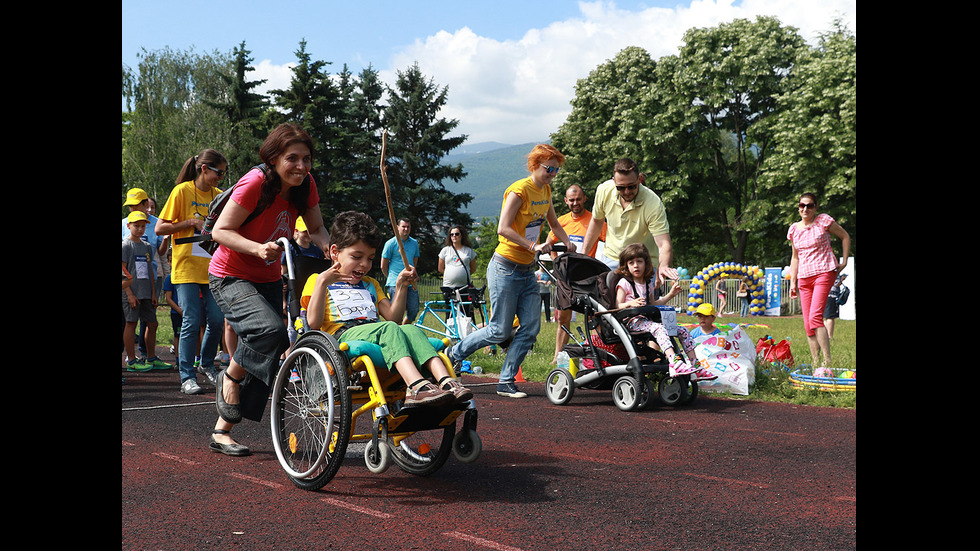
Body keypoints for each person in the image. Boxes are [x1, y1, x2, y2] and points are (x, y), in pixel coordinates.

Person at [205, 123, 330, 457]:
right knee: (269, 331)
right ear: (274, 158)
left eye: (307, 159)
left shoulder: (306, 186)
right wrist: (257, 249)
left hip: (268, 277)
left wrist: (331, 249)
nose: (302, 167)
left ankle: (222, 431)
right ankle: (229, 377)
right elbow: (220, 231)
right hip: (229, 274)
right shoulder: (255, 183)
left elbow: (316, 228)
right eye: (293, 158)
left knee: (269, 349)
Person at [303, 211, 472, 409]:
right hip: (342, 336)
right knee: (389, 328)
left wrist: (400, 286)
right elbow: (313, 323)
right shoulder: (318, 280)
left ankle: (446, 381)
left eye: (370, 258)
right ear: (334, 252)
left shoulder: (370, 284)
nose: (364, 265)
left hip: (378, 332)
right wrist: (323, 282)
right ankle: (416, 386)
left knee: (410, 329)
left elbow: (394, 316)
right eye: (357, 257)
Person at [445, 144, 575, 398]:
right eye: (549, 169)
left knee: (530, 327)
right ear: (535, 165)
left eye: (556, 171)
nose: (552, 174)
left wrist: (567, 241)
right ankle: (453, 354)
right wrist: (533, 245)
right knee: (500, 330)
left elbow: (554, 223)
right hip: (505, 267)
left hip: (527, 271)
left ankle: (506, 381)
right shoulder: (519, 191)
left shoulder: (546, 191)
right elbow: (502, 228)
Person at [155, 149, 229, 395]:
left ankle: (207, 364)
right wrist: (190, 222)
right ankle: (187, 376)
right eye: (219, 173)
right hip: (186, 266)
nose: (221, 178)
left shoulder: (220, 195)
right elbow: (159, 228)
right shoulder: (182, 191)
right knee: (191, 320)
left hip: (213, 266)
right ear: (204, 168)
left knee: (217, 320)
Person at [613, 243, 714, 380]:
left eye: (639, 261)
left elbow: (654, 304)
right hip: (631, 322)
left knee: (682, 331)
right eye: (631, 262)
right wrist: (630, 303)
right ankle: (674, 361)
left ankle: (695, 365)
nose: (635, 265)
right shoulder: (624, 283)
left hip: (647, 321)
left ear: (646, 263)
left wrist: (670, 295)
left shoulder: (648, 283)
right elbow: (618, 305)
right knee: (659, 328)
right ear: (626, 265)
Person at [581, 159, 677, 286]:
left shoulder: (653, 203)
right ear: (614, 181)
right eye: (621, 188)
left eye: (631, 186)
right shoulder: (604, 190)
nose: (626, 192)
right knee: (608, 303)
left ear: (639, 179)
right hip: (612, 259)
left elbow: (664, 243)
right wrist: (582, 255)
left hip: (642, 263)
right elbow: (597, 222)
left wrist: (663, 266)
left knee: (642, 304)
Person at [788, 192, 851, 367]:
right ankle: (816, 364)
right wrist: (793, 282)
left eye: (809, 205)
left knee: (816, 318)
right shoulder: (794, 229)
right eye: (802, 205)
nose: (805, 209)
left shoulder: (823, 221)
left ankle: (827, 362)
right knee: (808, 324)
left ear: (816, 207)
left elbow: (845, 236)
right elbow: (795, 257)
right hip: (804, 277)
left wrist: (844, 261)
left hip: (824, 272)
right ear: (799, 207)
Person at [545, 184, 607, 362]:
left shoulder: (596, 220)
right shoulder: (561, 221)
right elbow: (550, 244)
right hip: (566, 278)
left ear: (584, 199)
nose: (575, 203)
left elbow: (609, 242)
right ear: (566, 201)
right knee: (563, 318)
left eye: (578, 199)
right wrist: (557, 266)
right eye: (571, 200)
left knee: (594, 317)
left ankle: (599, 352)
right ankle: (558, 355)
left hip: (589, 277)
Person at [122, 211, 170, 371]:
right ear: (128, 226)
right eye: (136, 226)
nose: (140, 229)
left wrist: (154, 293)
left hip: (147, 292)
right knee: (131, 323)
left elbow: (150, 269)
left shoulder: (148, 246)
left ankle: (151, 357)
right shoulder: (125, 246)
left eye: (143, 226)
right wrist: (129, 293)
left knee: (152, 323)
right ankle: (131, 360)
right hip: (131, 293)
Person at [381, 218, 420, 324]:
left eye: (408, 227)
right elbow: (383, 265)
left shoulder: (414, 243)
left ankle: (404, 326)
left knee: (414, 309)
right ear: (397, 227)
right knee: (397, 312)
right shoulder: (390, 243)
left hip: (410, 282)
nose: (406, 229)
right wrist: (391, 278)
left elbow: (414, 262)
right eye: (403, 226)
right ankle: (398, 331)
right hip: (395, 283)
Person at [823, 273, 849, 339]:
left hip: (824, 295)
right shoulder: (833, 272)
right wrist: (841, 279)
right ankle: (829, 336)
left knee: (826, 317)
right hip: (832, 296)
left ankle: (825, 335)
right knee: (830, 317)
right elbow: (836, 284)